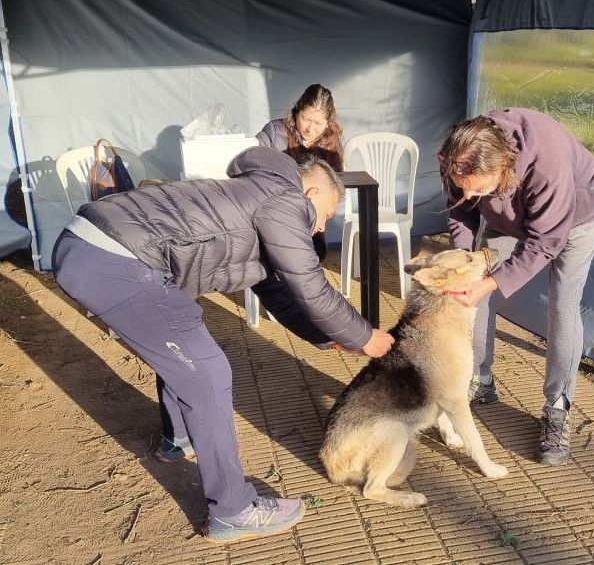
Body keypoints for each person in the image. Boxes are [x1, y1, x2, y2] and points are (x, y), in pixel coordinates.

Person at [51, 147, 395, 543]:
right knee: (208, 373)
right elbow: (309, 284)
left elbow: (280, 293)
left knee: (185, 346)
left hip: (96, 246)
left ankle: (179, 439)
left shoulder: (259, 201)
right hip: (115, 259)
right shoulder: (284, 198)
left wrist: (327, 337)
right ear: (312, 192)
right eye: (328, 215)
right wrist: (363, 336)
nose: (320, 228)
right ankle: (233, 510)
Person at [439, 108, 594, 466]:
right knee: (477, 290)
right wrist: (465, 260)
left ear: (504, 167)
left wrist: (493, 281)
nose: (469, 196)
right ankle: (480, 378)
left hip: (574, 217)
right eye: (464, 188)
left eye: (478, 189)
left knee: (562, 306)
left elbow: (545, 243)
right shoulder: (459, 154)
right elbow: (460, 210)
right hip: (505, 215)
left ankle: (558, 408)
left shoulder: (548, 165)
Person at [256, 83, 344, 261]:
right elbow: (256, 167)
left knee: (316, 252)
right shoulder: (275, 132)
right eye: (305, 118)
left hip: (311, 216)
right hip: (276, 211)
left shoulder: (331, 142)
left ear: (328, 123)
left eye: (318, 123)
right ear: (297, 112)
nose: (309, 128)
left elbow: (335, 183)